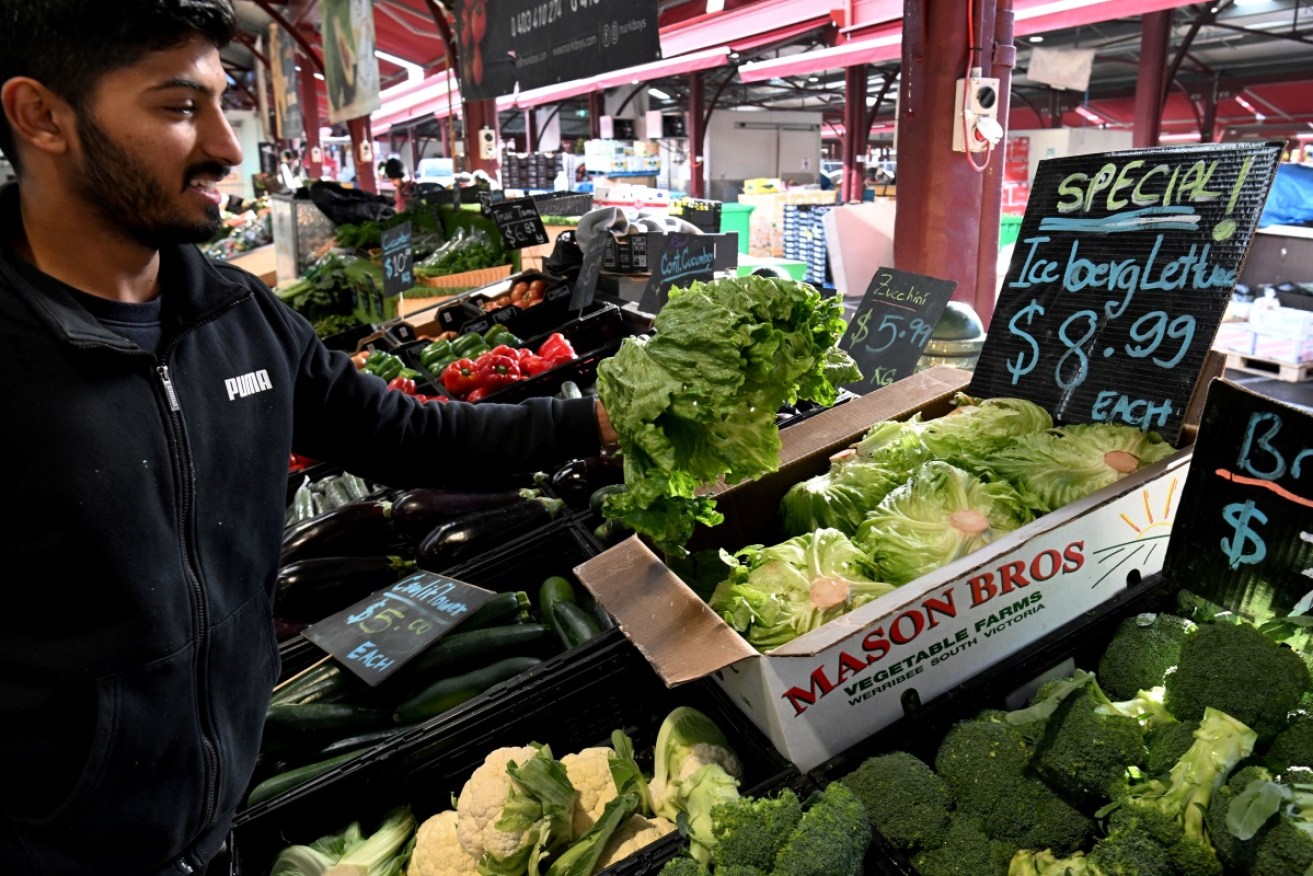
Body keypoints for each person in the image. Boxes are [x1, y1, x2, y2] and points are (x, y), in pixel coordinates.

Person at [0, 2, 617, 873]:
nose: (224, 147)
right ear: (40, 116)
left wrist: (592, 418)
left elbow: (404, 433)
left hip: (220, 817)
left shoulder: (238, 315)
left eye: (221, 103)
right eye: (179, 109)